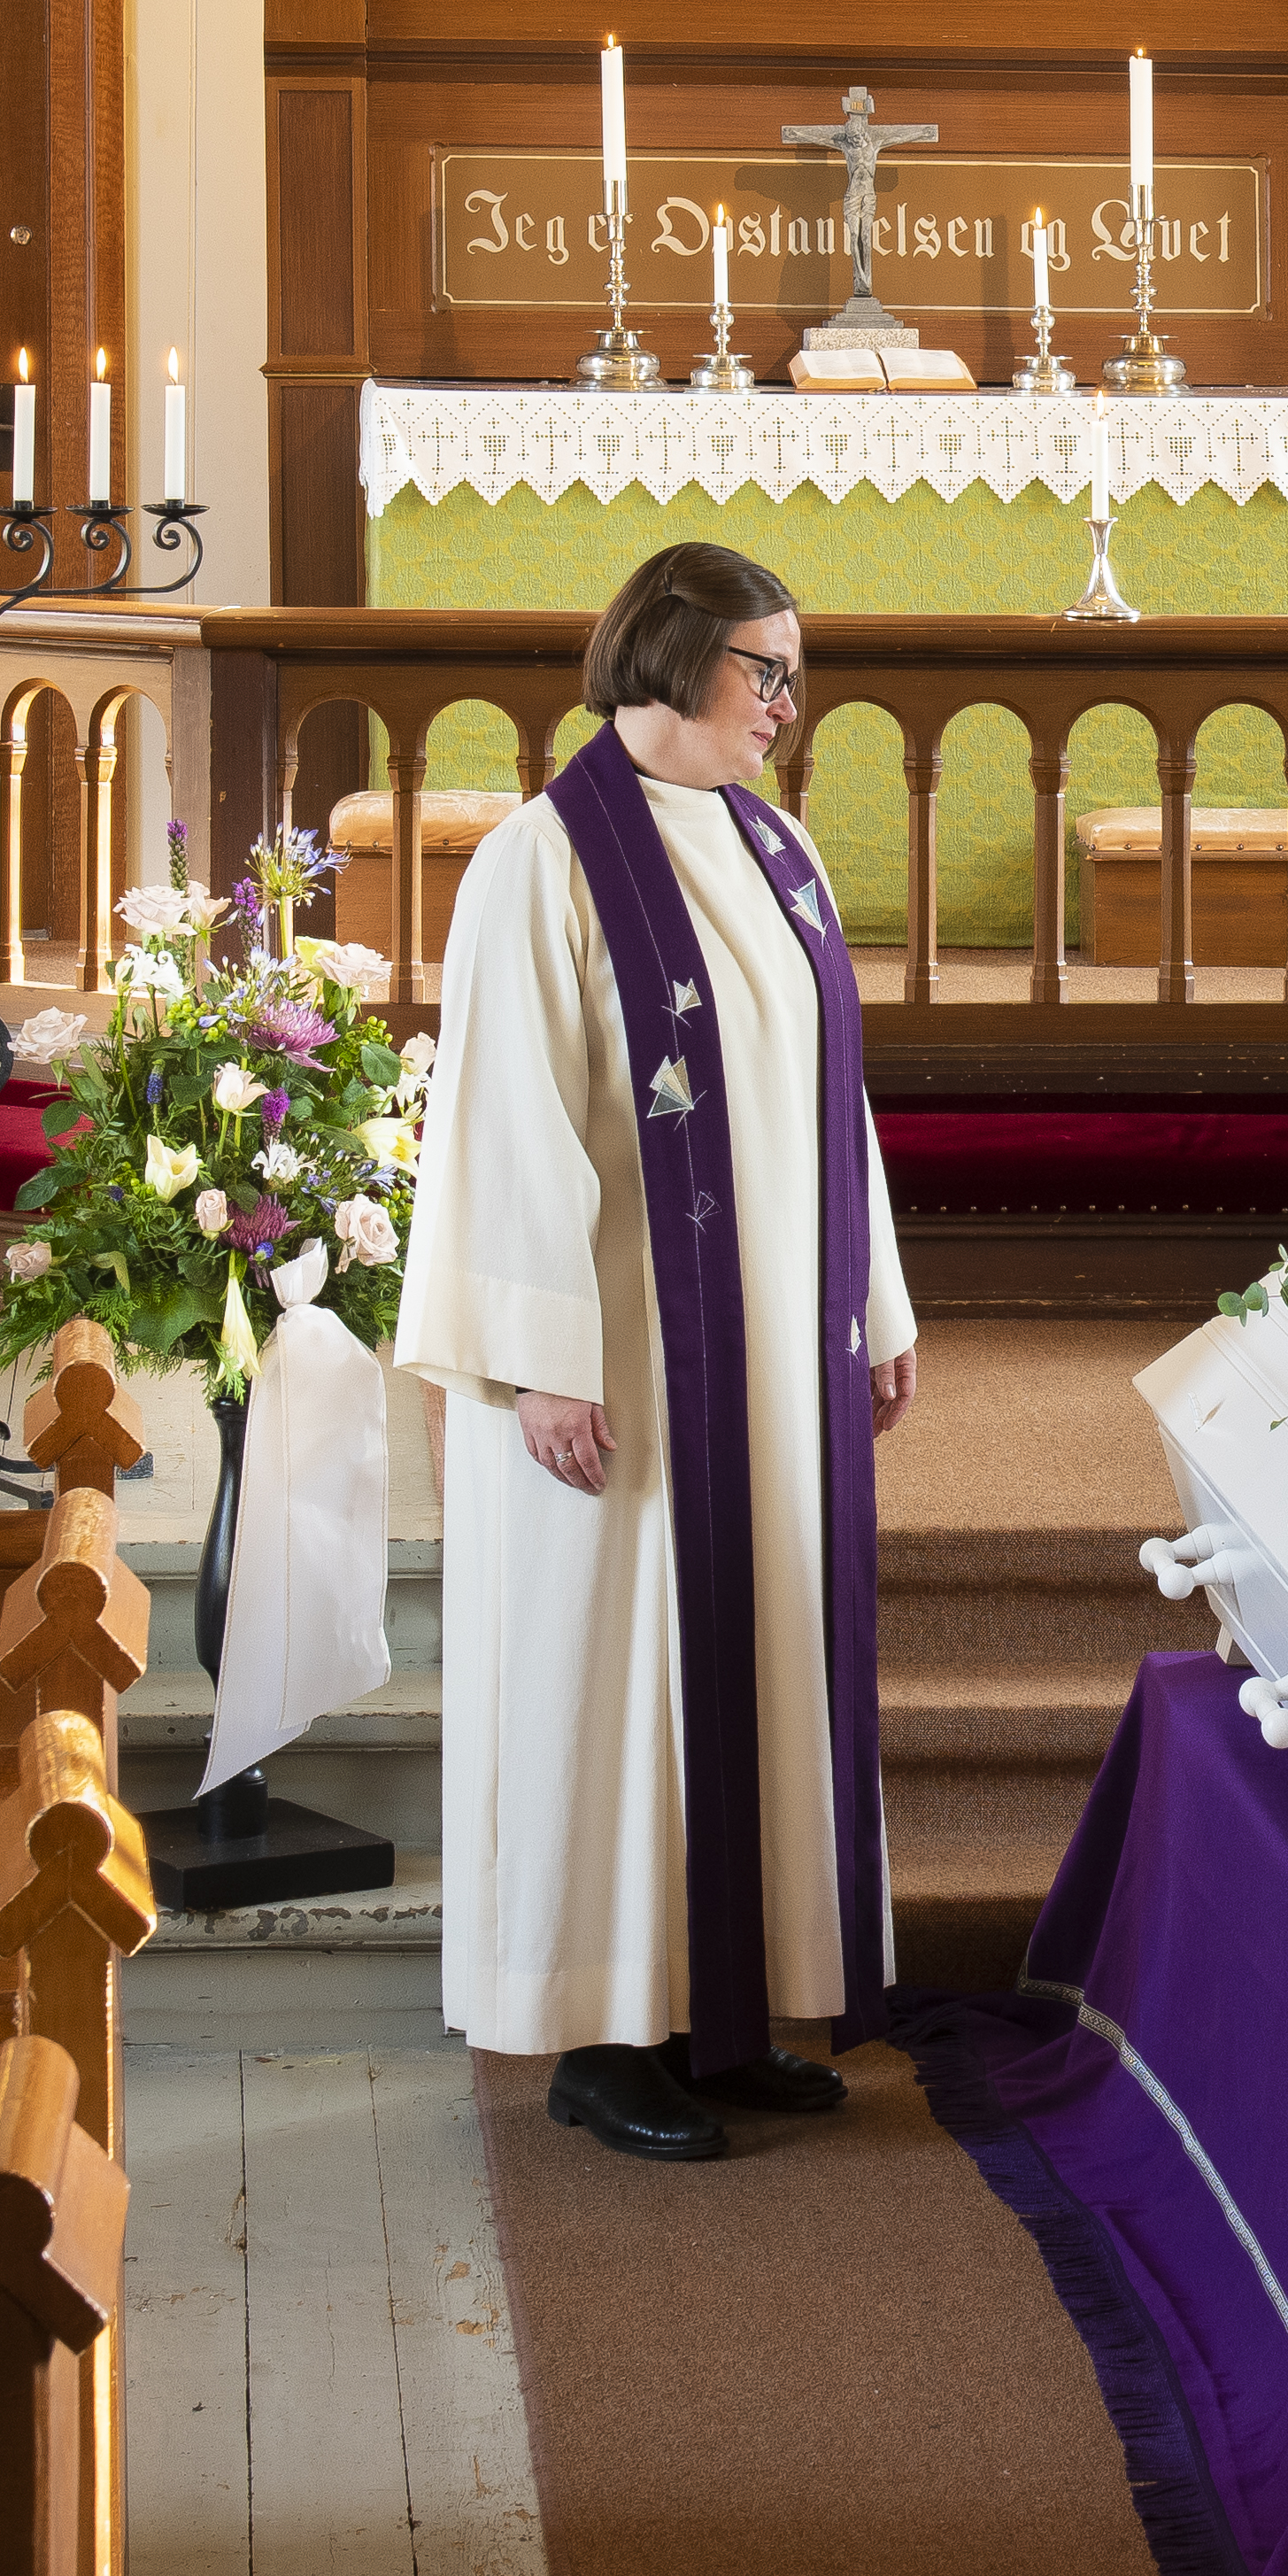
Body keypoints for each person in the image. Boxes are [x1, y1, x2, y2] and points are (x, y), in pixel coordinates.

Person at [397, 544, 921, 2163]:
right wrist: (549, 1361)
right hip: (620, 1360)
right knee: (609, 1683)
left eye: (792, 669)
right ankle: (596, 2031)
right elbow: (501, 1130)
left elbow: (834, 1099)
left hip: (770, 1358)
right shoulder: (544, 867)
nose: (788, 702)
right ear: (675, 660)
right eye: (766, 669)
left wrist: (874, 1309)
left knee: (749, 1668)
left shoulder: (776, 849)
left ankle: (726, 2008)